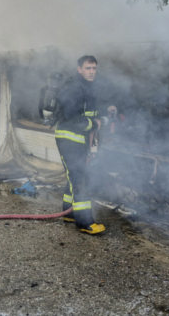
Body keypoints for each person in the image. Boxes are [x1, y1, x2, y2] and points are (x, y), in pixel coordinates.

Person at [54, 55, 115, 235]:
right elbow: (73, 117)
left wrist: (106, 112)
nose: (91, 72)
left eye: (94, 68)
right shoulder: (74, 87)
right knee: (80, 179)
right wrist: (95, 124)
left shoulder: (86, 87)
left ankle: (69, 213)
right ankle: (85, 222)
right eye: (88, 68)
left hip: (79, 141)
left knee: (74, 177)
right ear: (79, 69)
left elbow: (90, 111)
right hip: (69, 139)